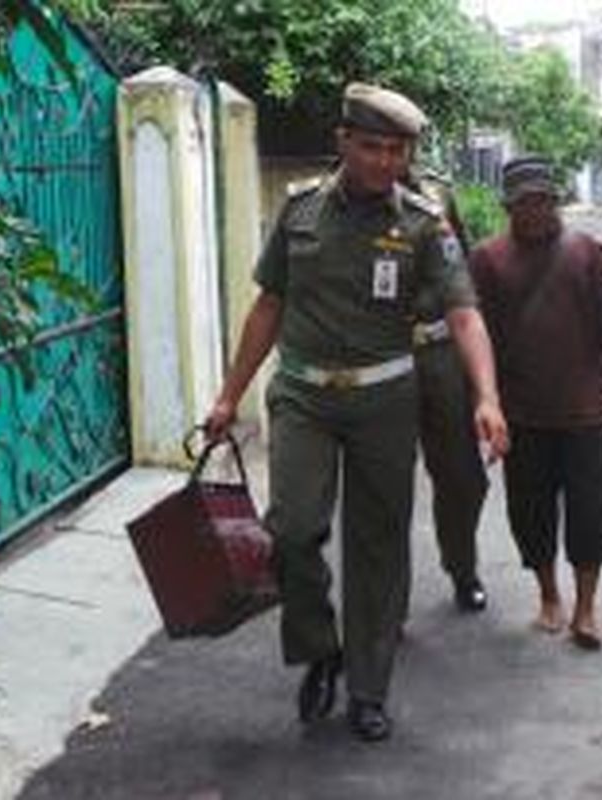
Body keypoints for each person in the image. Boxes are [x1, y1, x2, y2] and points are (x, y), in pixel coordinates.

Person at [203, 83, 508, 741]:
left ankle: (369, 687)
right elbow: (267, 307)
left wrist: (485, 396)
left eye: (396, 150)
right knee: (291, 530)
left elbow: (464, 312)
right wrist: (230, 394)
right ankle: (320, 647)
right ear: (343, 142)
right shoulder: (300, 211)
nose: (383, 162)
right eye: (370, 146)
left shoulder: (424, 223)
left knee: (378, 544)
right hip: (304, 396)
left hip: (384, 400)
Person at [469, 155, 602, 651]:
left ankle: (586, 610)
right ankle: (548, 595)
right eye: (526, 201)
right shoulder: (487, 259)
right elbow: (479, 335)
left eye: (545, 199)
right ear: (509, 206)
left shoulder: (586, 252)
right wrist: (485, 402)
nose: (538, 209)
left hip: (584, 408)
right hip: (521, 412)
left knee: (589, 512)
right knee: (530, 512)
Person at [404, 165, 491, 612]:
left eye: (403, 141)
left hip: (441, 353)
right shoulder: (339, 198)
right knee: (382, 484)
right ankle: (385, 600)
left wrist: (483, 389)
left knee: (462, 477)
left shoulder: (437, 194)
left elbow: (463, 276)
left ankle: (462, 567)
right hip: (380, 357)